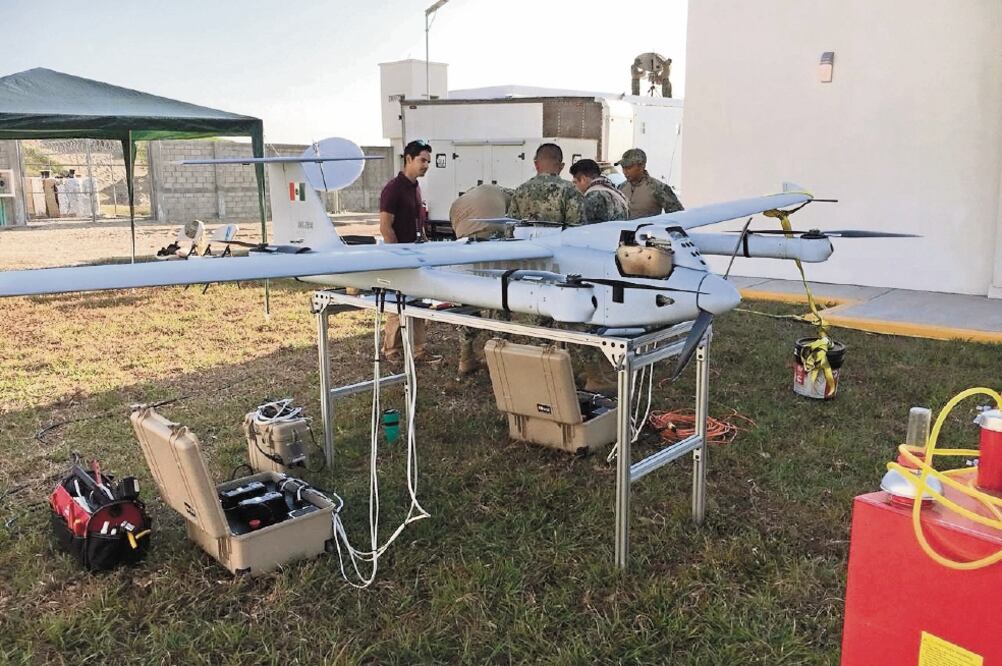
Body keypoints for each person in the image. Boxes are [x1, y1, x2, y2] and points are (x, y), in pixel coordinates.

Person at [379, 139, 441, 365]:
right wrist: (397, 255)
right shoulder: (393, 189)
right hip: (399, 255)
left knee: (417, 301)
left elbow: (418, 219)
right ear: (408, 159)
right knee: (398, 303)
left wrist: (423, 239)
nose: (426, 165)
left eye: (428, 161)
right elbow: (385, 226)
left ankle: (418, 350)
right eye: (422, 160)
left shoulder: (416, 188)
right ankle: (391, 350)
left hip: (415, 253)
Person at [449, 184, 514, 376]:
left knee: (469, 305)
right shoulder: (504, 193)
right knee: (500, 301)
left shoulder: (458, 202)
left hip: (466, 248)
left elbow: (457, 231)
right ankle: (497, 356)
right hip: (492, 245)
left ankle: (466, 358)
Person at [506, 143, 585, 224]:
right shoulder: (571, 190)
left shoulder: (520, 191)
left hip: (526, 237)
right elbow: (577, 227)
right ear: (561, 166)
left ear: (536, 164)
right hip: (559, 236)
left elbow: (511, 226)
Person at [615, 148, 683, 219]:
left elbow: (678, 216)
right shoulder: (621, 187)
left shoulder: (658, 188)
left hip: (647, 229)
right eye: (623, 168)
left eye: (629, 167)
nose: (625, 171)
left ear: (642, 166)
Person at [569, 158, 628, 223]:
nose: (575, 187)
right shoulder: (615, 191)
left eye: (575, 182)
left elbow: (587, 229)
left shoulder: (593, 196)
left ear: (583, 179)